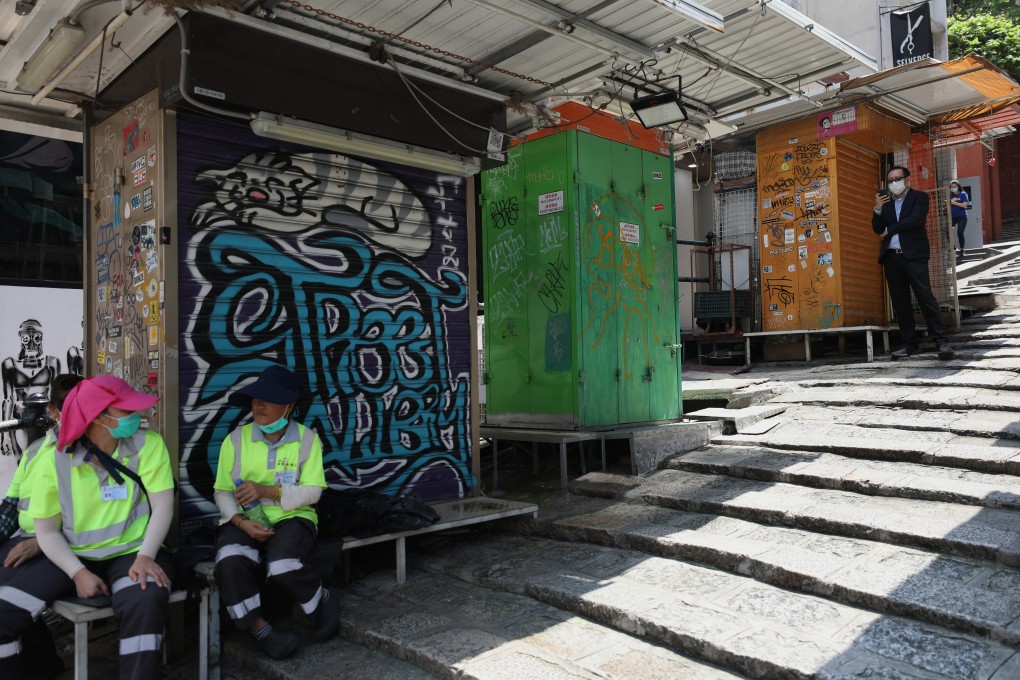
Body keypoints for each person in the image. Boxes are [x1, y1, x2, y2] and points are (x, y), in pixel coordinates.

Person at [5, 376, 174, 680]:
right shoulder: (54, 460)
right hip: (70, 557)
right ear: (97, 416)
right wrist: (78, 573)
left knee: (145, 602)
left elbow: (163, 506)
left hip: (134, 552)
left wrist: (147, 556)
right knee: (4, 615)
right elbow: (47, 532)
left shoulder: (148, 444)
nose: (136, 416)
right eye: (126, 411)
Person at [212, 364, 337, 660]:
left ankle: (320, 598)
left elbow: (314, 492)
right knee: (228, 560)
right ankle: (261, 629)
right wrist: (239, 522)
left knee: (282, 565)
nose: (258, 405)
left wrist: (269, 491)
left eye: (268, 400)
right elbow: (222, 491)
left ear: (289, 406)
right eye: (256, 399)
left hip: (293, 517)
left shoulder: (307, 439)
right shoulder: (236, 440)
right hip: (244, 519)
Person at [0, 373, 82, 680]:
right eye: (68, 406)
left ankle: (33, 665)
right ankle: (42, 662)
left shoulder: (90, 452)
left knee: (5, 610)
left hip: (61, 548)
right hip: (23, 539)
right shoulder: (36, 451)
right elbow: (10, 506)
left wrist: (42, 542)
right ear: (52, 411)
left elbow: (93, 518)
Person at [873, 166, 954, 360]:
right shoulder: (886, 204)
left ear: (907, 180)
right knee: (900, 302)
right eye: (890, 180)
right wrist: (877, 209)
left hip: (914, 256)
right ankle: (909, 344)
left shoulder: (919, 197)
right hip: (891, 257)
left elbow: (915, 220)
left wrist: (890, 229)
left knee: (925, 297)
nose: (894, 183)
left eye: (897, 179)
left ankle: (941, 341)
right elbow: (877, 229)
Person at [949, 180, 970, 254]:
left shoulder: (963, 194)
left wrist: (954, 203)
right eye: (952, 187)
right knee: (947, 231)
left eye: (954, 187)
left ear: (958, 187)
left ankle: (962, 249)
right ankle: (953, 247)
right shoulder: (950, 195)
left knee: (960, 233)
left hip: (962, 216)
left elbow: (964, 205)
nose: (953, 188)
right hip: (953, 217)